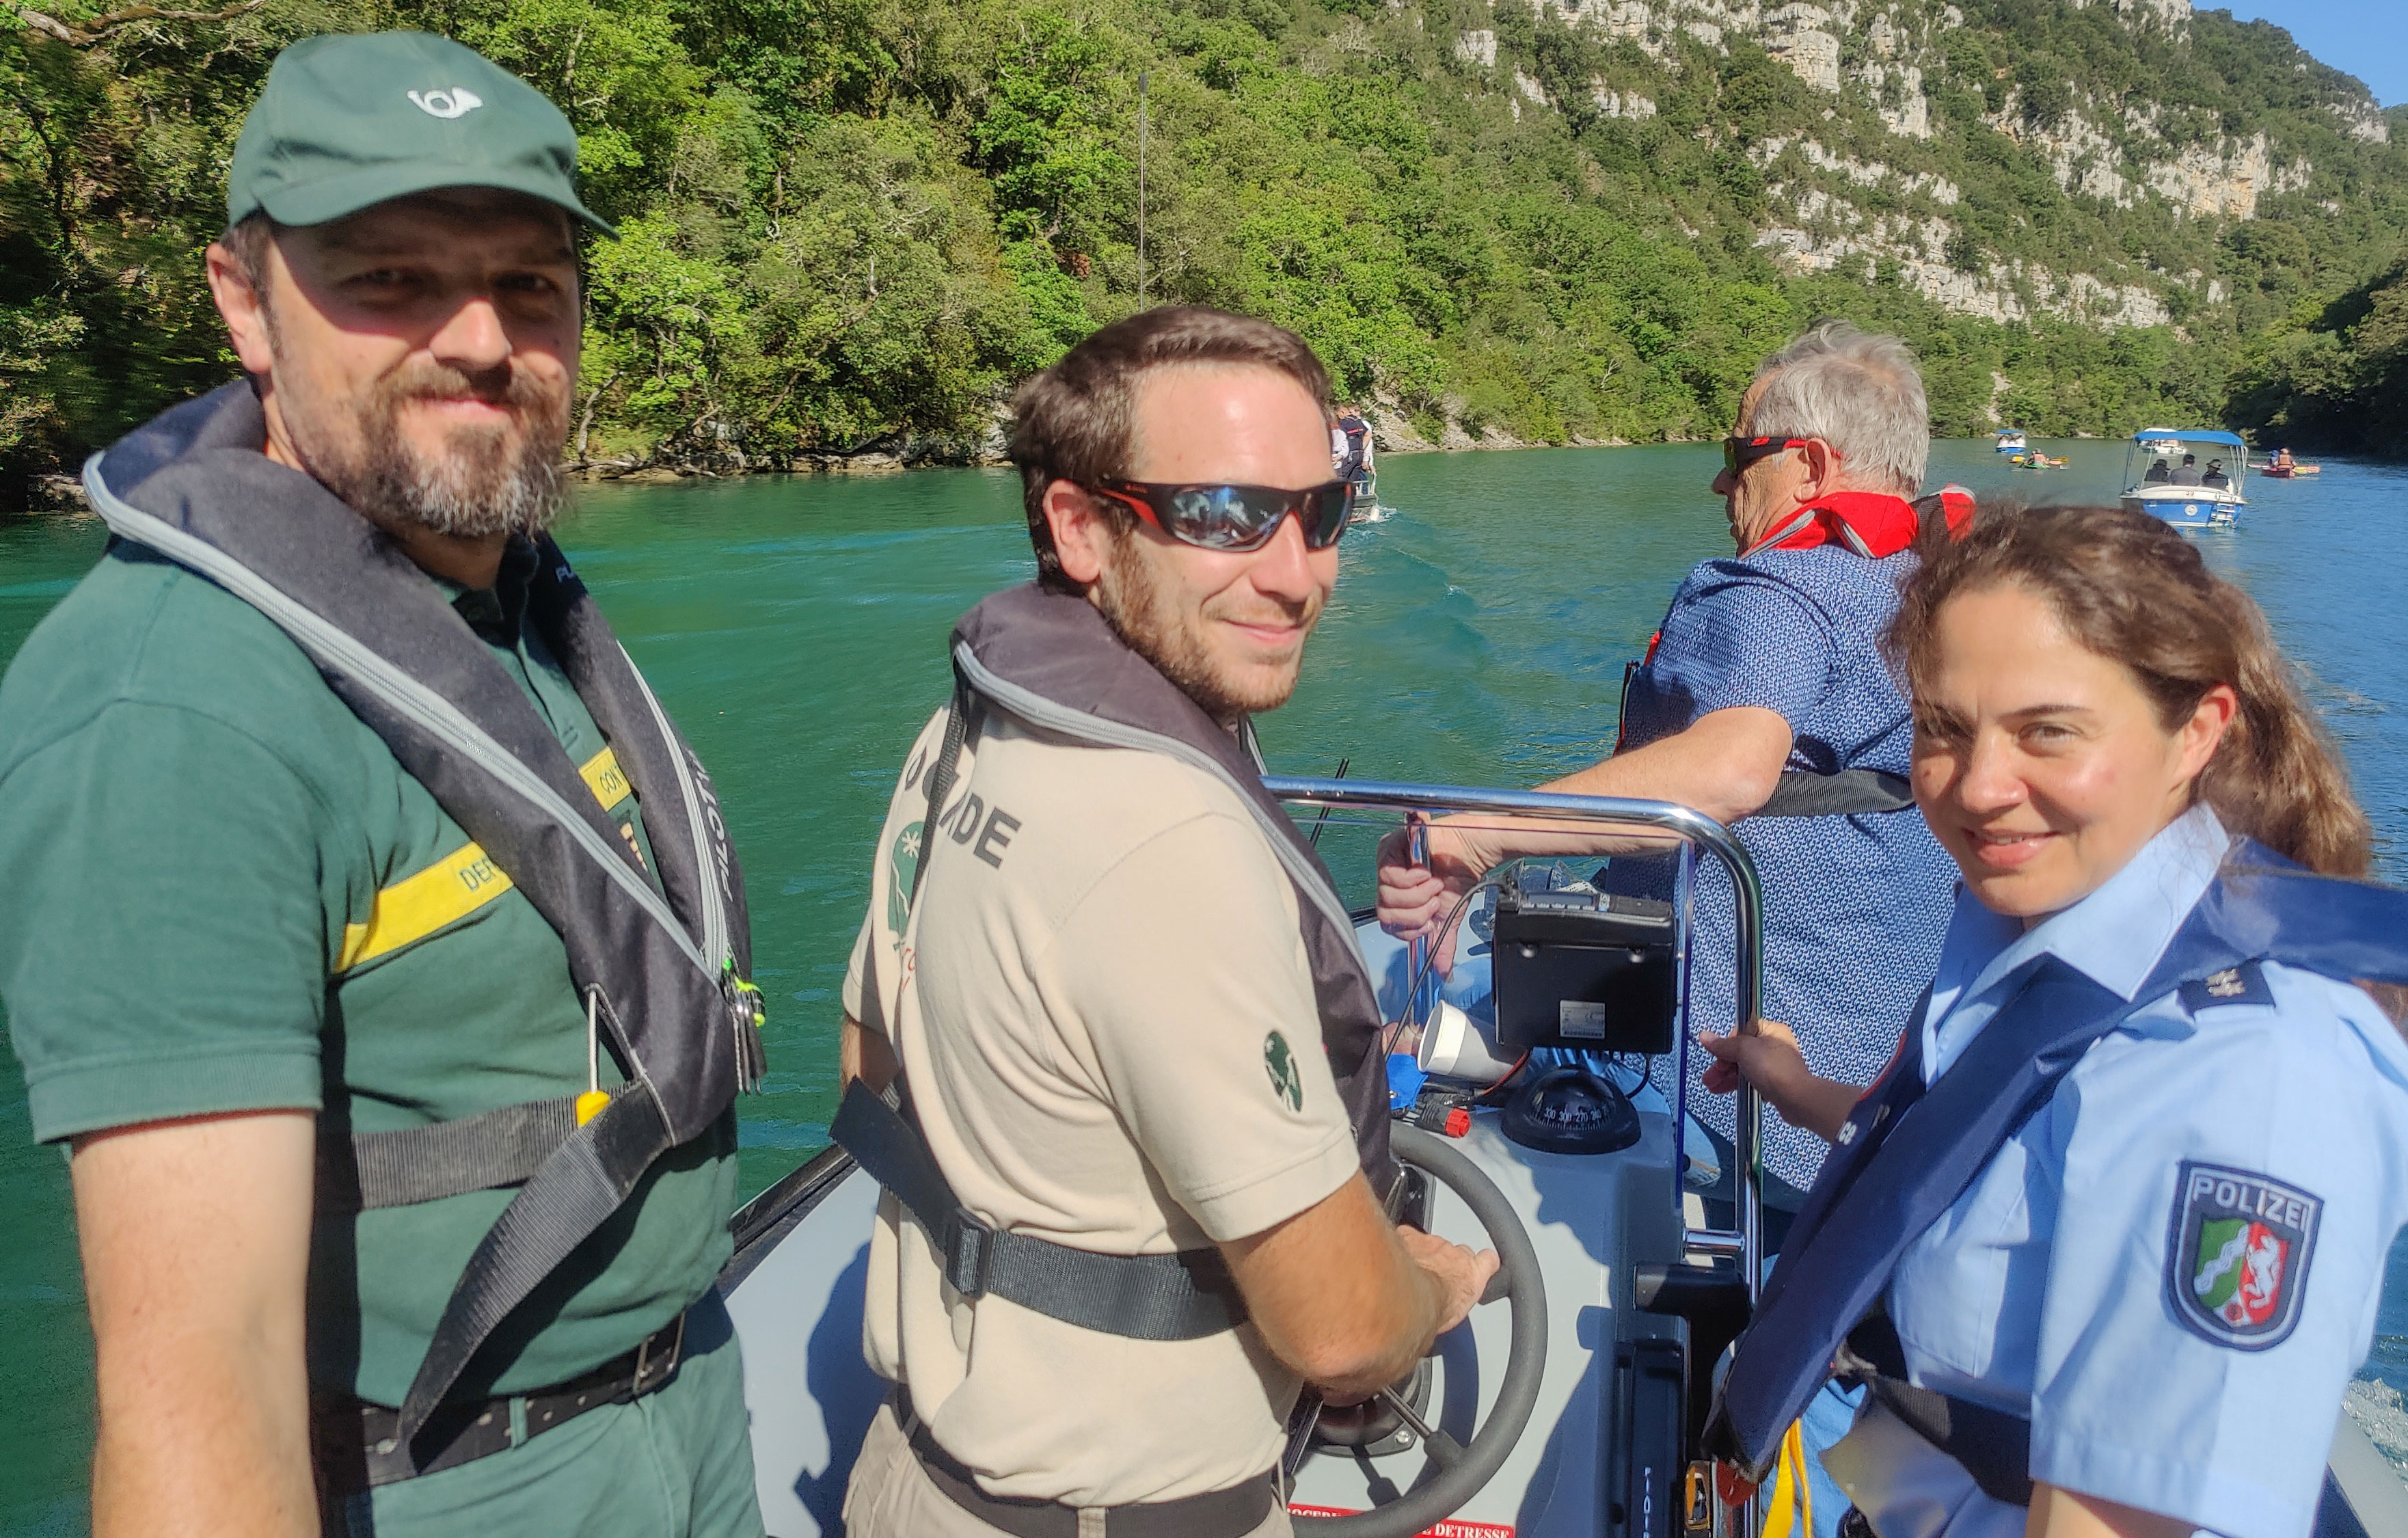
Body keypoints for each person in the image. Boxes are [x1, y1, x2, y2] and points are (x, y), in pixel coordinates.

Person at [0, 32, 764, 1538]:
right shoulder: (173, 711)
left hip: (688, 1413)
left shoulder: (506, 611)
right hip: (461, 1487)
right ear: (245, 302)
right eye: (392, 280)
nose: (480, 337)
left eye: (528, 284)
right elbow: (195, 1389)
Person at [834, 307, 1497, 1538]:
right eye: (1226, 515)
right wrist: (1435, 1289)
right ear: (1080, 528)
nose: (1300, 574)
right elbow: (1344, 1331)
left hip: (913, 1477)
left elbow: (869, 1064)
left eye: (1322, 512)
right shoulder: (1168, 842)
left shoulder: (967, 733)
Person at [1697, 503, 2408, 1538]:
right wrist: (1797, 1087)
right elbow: (1989, 1151)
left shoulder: (2252, 1074)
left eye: (2047, 732)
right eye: (1943, 727)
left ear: (2196, 730)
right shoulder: (2057, 930)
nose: (1979, 788)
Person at [1376, 321, 1963, 1206]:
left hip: (1738, 1104)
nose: (1722, 479)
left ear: (1807, 467)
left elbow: (1733, 768)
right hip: (1890, 1083)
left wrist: (1476, 833)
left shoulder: (1776, 594)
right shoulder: (1938, 590)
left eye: (1740, 452)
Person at [1331, 403, 1377, 486]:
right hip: (1359, 455)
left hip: (1349, 455)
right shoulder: (1358, 421)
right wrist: (1361, 448)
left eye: (1338, 415)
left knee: (1340, 478)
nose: (1338, 418)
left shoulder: (1344, 423)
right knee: (1352, 482)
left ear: (1342, 412)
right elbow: (1368, 435)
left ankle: (1338, 497)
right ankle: (1351, 496)